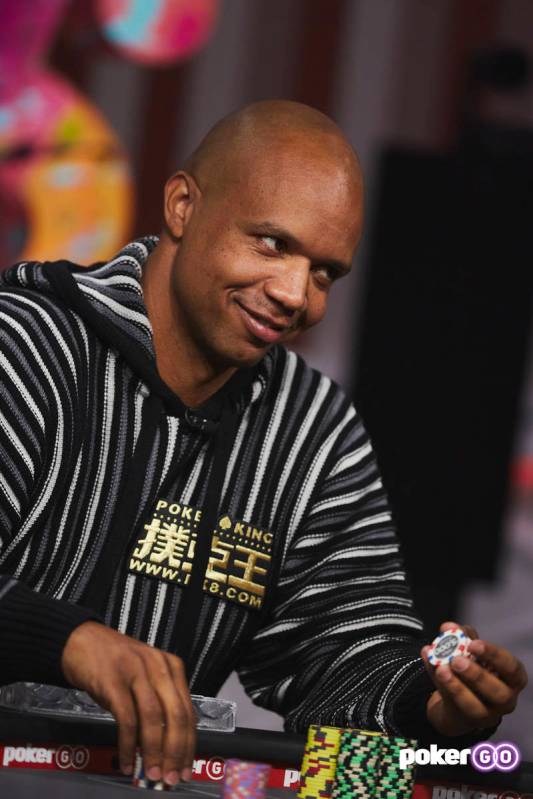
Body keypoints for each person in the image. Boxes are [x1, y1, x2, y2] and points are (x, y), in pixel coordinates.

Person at [0, 100, 527, 788]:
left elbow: (342, 658)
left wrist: (433, 705)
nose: (294, 294)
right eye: (273, 243)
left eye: (324, 273)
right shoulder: (24, 347)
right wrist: (69, 640)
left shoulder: (312, 428)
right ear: (183, 206)